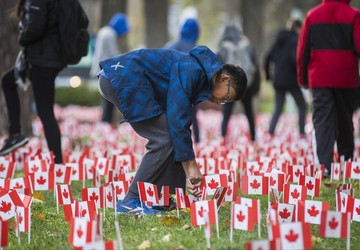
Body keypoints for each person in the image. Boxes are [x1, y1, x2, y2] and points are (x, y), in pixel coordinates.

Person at [97, 45, 247, 214]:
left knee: (170, 135)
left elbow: (181, 124)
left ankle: (163, 199)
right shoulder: (192, 70)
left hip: (125, 79)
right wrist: (191, 164)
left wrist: (188, 170)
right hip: (122, 78)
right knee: (164, 138)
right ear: (224, 79)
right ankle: (129, 202)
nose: (220, 102)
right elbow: (177, 117)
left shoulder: (198, 76)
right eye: (226, 97)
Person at [296, 0, 360, 177]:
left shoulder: (312, 16)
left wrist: (303, 79)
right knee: (345, 120)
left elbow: (302, 51)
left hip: (319, 78)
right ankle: (346, 162)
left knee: (323, 120)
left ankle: (325, 166)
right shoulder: (355, 16)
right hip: (346, 77)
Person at [0, 0, 66, 163]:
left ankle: (58, 163)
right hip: (42, 60)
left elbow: (36, 27)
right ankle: (15, 134)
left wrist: (23, 38)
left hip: (42, 62)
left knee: (45, 113)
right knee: (8, 81)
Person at [217, 23, 260, 142]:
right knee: (249, 112)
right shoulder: (247, 45)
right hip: (247, 84)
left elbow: (216, 68)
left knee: (226, 113)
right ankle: (253, 137)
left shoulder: (223, 47)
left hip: (230, 86)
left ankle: (223, 137)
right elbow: (255, 67)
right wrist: (255, 88)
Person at [264, 19, 307, 138]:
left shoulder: (278, 40)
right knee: (302, 106)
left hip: (278, 80)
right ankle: (302, 133)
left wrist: (269, 76)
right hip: (291, 80)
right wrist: (302, 74)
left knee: (278, 107)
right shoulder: (295, 40)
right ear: (298, 28)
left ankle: (271, 131)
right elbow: (295, 59)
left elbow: (267, 58)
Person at [164, 18, 201, 143]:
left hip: (172, 88)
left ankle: (171, 140)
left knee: (172, 116)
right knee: (192, 116)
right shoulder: (197, 49)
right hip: (190, 89)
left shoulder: (170, 46)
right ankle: (197, 140)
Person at [90, 13, 130, 124]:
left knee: (105, 98)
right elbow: (114, 54)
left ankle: (106, 121)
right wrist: (125, 60)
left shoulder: (104, 31)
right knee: (109, 99)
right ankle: (106, 122)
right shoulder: (111, 34)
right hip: (107, 71)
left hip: (99, 68)